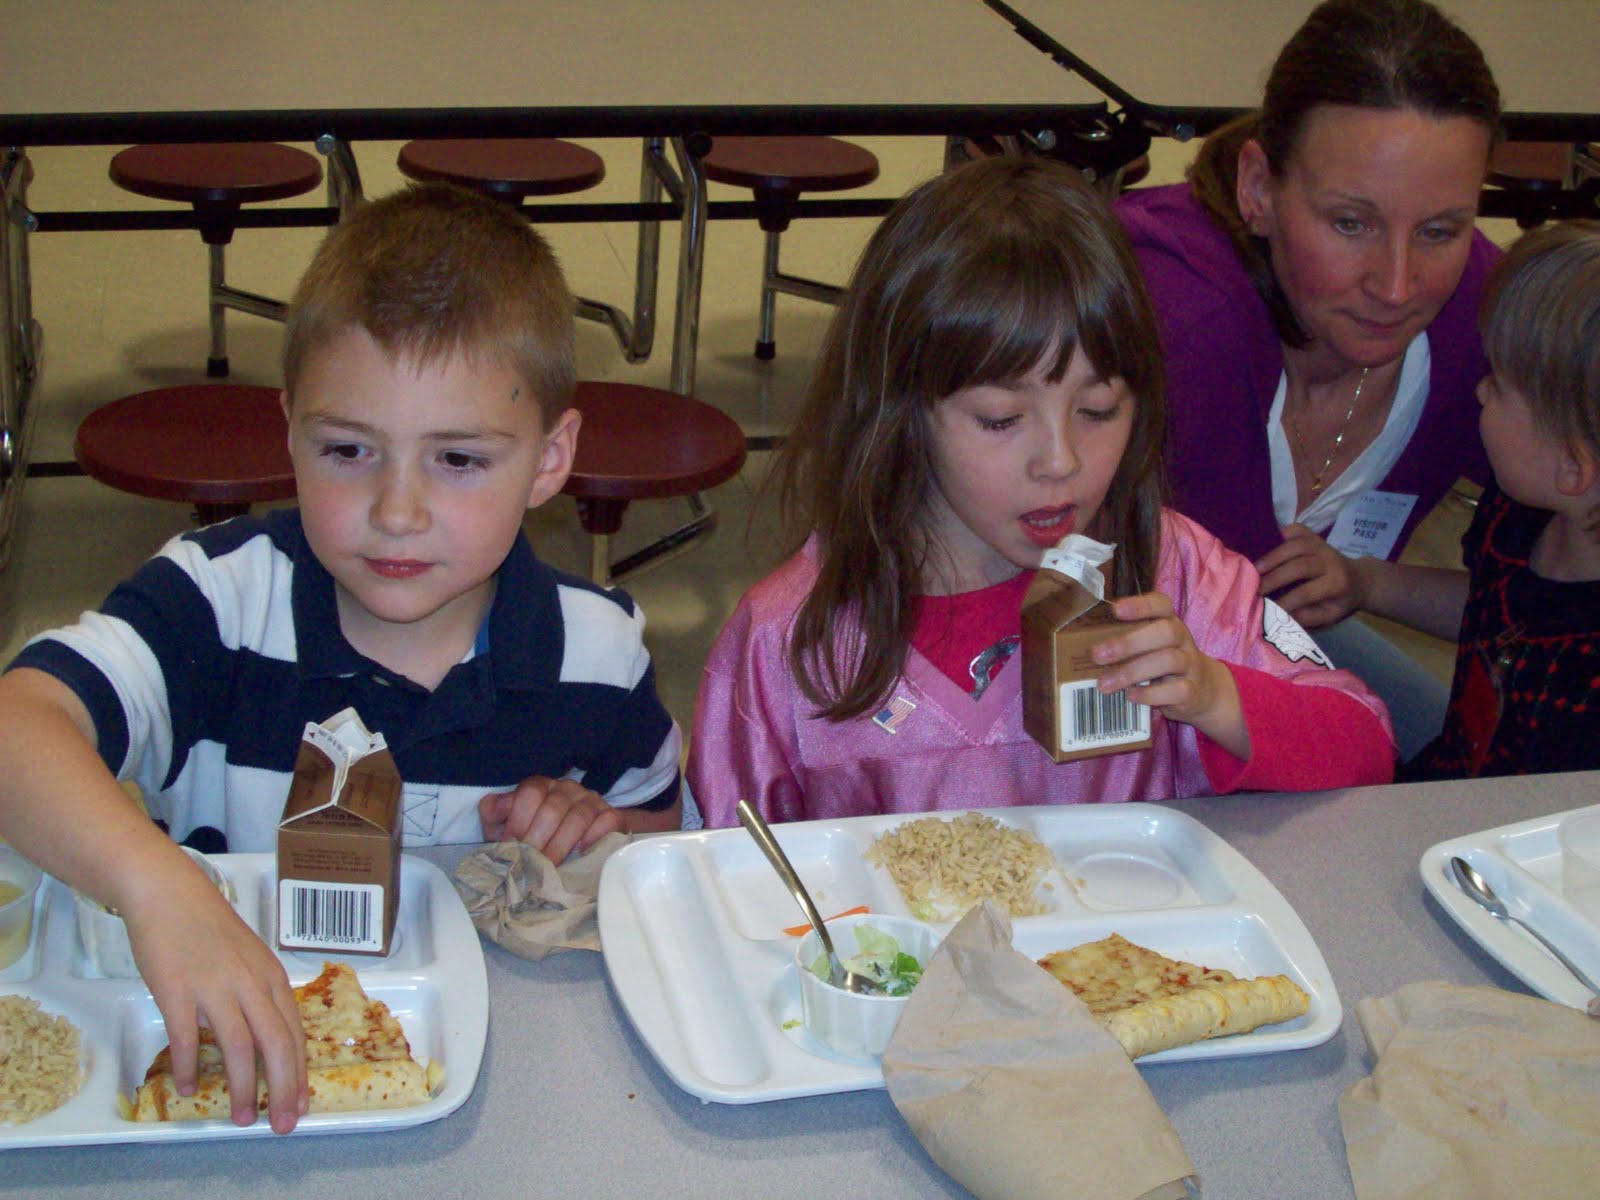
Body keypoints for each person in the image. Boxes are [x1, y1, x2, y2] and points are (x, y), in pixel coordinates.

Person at [0, 183, 686, 1132]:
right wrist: (156, 884)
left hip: (489, 1104)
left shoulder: (599, 653)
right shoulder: (218, 599)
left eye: (458, 460)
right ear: (290, 430)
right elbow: (17, 727)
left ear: (551, 458)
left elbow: (663, 841)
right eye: (349, 450)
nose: (396, 511)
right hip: (221, 1106)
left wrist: (595, 825)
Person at [687, 157, 1394, 829]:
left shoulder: (1176, 572)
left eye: (1098, 411)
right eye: (1000, 418)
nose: (1060, 462)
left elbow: (1367, 747)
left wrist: (1214, 694)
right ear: (899, 407)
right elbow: (719, 869)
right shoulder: (790, 635)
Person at [1114, 0, 1502, 760]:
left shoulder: (1485, 320)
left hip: (1264, 638)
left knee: (1458, 772)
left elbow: (1556, 568)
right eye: (1350, 223)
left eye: (1440, 230)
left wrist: (1372, 582)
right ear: (1259, 188)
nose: (1397, 285)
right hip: (1086, 653)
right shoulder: (1179, 320)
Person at [1403, 222, 1600, 779]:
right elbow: (1492, 606)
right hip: (1452, 773)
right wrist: (1364, 582)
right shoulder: (1518, 518)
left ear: (1571, 465)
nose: (1480, 389)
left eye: (1501, 382)